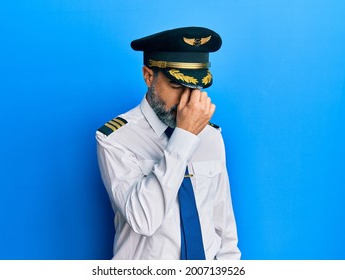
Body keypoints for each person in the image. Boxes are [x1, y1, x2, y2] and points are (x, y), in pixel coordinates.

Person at [96, 26, 241, 260]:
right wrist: (184, 136)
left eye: (195, 87)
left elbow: (223, 227)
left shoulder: (212, 136)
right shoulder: (115, 139)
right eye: (176, 86)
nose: (187, 99)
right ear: (148, 76)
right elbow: (144, 220)